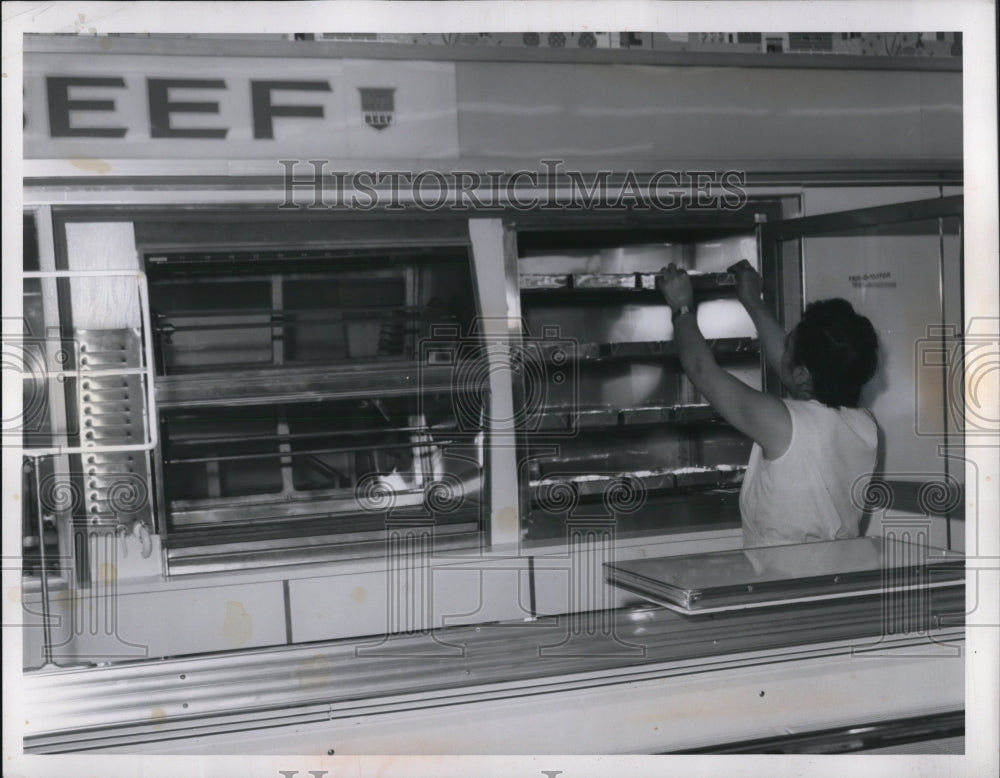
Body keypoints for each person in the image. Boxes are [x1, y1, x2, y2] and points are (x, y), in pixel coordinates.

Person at [658, 260, 880, 548]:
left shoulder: (783, 424)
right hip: (835, 575)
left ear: (803, 373)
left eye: (789, 343)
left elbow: (703, 371)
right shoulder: (865, 425)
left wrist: (681, 308)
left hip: (783, 581)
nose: (783, 344)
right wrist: (752, 301)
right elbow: (797, 374)